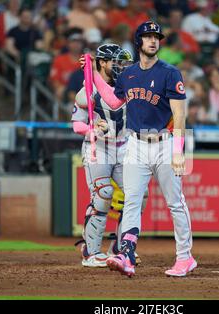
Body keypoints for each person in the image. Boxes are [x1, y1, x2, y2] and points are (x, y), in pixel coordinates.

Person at [82, 21, 197, 277]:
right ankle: (126, 254)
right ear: (139, 42)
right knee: (132, 202)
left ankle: (185, 258)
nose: (153, 40)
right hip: (134, 144)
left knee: (175, 203)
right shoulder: (128, 74)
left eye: (156, 37)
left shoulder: (170, 72)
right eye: (147, 36)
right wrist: (92, 75)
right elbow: (112, 101)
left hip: (165, 143)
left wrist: (180, 150)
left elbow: (180, 115)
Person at [72, 44, 143, 268]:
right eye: (116, 62)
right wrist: (91, 130)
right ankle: (91, 252)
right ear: (102, 63)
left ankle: (121, 249)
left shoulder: (128, 85)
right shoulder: (87, 91)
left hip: (124, 146)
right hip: (99, 148)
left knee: (137, 193)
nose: (121, 67)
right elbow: (76, 125)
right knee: (103, 194)